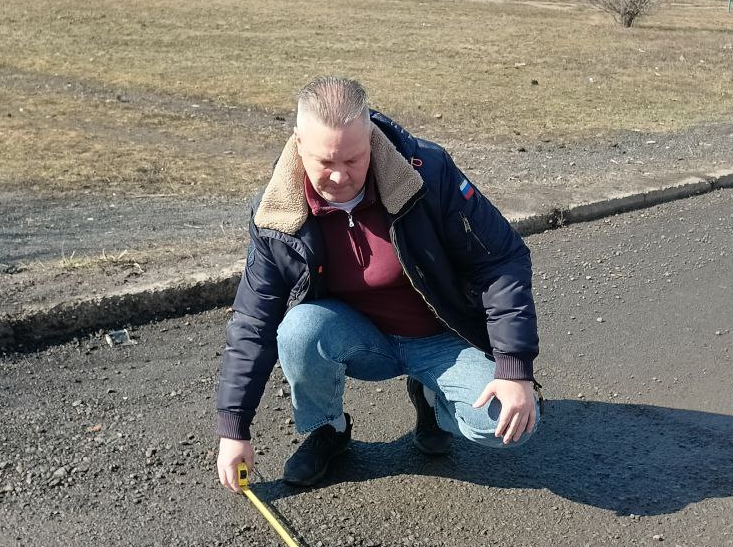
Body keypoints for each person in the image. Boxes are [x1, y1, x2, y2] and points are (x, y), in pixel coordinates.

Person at [216, 76, 540, 491]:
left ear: (370, 137)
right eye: (324, 162)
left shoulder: (428, 172)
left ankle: (431, 397)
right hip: (361, 340)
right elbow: (252, 320)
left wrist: (514, 369)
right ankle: (329, 429)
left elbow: (502, 260)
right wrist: (233, 427)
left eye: (352, 160)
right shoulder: (276, 212)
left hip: (441, 337)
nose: (338, 177)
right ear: (298, 143)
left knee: (510, 427)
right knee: (297, 329)